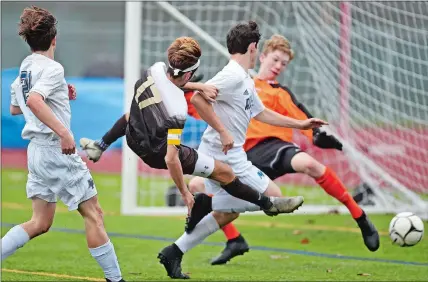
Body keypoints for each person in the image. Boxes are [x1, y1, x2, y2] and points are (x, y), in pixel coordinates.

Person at [188, 34, 380, 265]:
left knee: (309, 164)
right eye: (276, 60)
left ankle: (359, 216)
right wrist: (189, 93)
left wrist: (320, 137)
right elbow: (204, 108)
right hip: (244, 157)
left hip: (276, 148)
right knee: (197, 186)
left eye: (284, 64)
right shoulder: (239, 82)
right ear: (262, 55)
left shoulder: (282, 93)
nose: (278, 67)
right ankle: (234, 240)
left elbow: (306, 122)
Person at [157, 21, 329, 279]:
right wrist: (224, 131)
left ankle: (175, 251)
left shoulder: (244, 78)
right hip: (227, 154)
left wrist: (300, 123)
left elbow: (261, 113)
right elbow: (198, 99)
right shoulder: (233, 75)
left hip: (222, 152)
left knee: (228, 212)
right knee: (273, 196)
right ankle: (206, 203)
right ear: (253, 47)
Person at [80, 36, 306, 218]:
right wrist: (184, 193)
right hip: (157, 153)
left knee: (133, 113)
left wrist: (199, 85)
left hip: (133, 137)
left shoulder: (156, 70)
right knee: (225, 172)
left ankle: (100, 145)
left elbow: (175, 82)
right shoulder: (178, 109)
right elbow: (170, 159)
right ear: (190, 72)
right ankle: (267, 203)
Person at [1, 6, 125, 282]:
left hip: (35, 154)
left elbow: (15, 107)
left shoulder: (26, 66)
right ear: (54, 38)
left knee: (40, 223)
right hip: (55, 150)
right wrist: (64, 133)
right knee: (94, 214)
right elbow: (34, 100)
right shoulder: (53, 68)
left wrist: (59, 95)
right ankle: (116, 280)